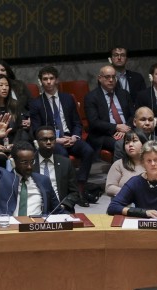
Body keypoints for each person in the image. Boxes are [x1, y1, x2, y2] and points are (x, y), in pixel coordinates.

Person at [0, 114, 63, 216]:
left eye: (31, 161)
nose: (29, 167)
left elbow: (58, 211)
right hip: (10, 227)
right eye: (24, 162)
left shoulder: (43, 180)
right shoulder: (2, 177)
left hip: (36, 227)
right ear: (13, 162)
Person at [30, 66, 95, 200]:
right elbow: (36, 129)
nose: (48, 82)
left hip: (69, 136)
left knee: (88, 150)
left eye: (51, 78)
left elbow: (77, 122)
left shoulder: (67, 98)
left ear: (57, 80)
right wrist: (56, 140)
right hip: (52, 140)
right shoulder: (36, 103)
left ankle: (81, 186)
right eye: (45, 79)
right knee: (63, 154)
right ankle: (66, 189)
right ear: (40, 82)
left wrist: (75, 137)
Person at [84, 64, 135, 153]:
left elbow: (133, 115)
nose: (111, 80)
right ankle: (121, 167)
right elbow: (94, 122)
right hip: (105, 134)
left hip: (127, 129)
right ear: (100, 78)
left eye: (113, 77)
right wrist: (117, 127)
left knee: (144, 138)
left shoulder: (124, 94)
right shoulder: (91, 97)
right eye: (107, 77)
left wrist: (126, 128)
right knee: (121, 145)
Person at [34, 126, 86, 211]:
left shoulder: (65, 163)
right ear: (37, 142)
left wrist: (63, 206)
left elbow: (74, 192)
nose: (48, 142)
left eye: (52, 139)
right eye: (44, 139)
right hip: (36, 209)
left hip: (61, 208)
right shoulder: (29, 163)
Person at [106, 130, 157, 197]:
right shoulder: (118, 164)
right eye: (127, 142)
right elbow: (109, 188)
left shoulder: (156, 163)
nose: (130, 145)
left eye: (134, 141)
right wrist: (131, 193)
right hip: (126, 203)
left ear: (144, 144)